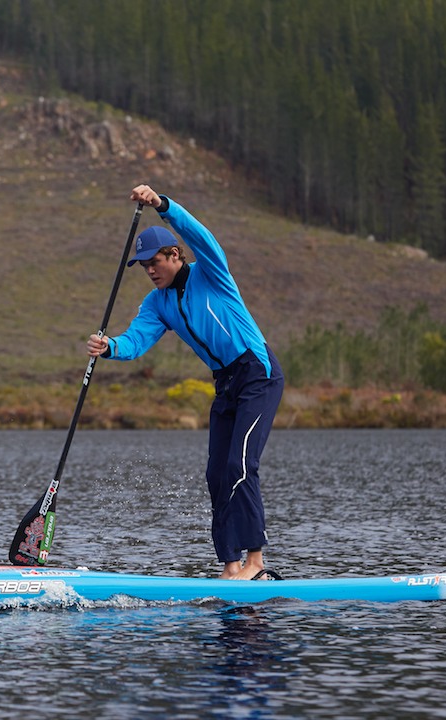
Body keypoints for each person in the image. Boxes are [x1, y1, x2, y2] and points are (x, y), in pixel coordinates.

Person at [88, 185, 284, 580]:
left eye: (154, 261)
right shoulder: (156, 303)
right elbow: (136, 341)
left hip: (257, 373)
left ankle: (257, 565)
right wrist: (109, 348)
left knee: (240, 464)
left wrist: (162, 205)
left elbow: (202, 237)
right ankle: (231, 567)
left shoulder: (211, 273)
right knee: (216, 474)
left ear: (174, 255)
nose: (149, 270)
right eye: (143, 266)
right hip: (225, 383)